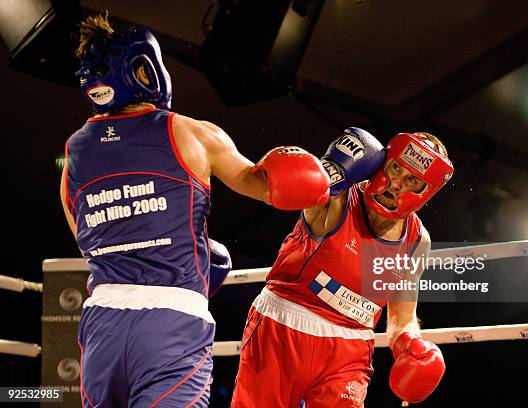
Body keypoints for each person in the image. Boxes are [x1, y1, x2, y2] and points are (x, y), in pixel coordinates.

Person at [59, 14, 330, 408]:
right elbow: (275, 189)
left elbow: (90, 245)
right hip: (170, 320)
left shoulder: (72, 155)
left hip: (101, 324)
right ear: (143, 68)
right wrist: (329, 176)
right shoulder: (191, 132)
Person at [231, 128, 453, 407]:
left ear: (424, 193)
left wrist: (410, 344)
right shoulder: (339, 197)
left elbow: (402, 317)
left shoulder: (417, 241)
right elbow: (294, 183)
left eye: (411, 179)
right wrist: (328, 172)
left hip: (350, 350)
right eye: (395, 168)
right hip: (284, 326)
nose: (397, 183)